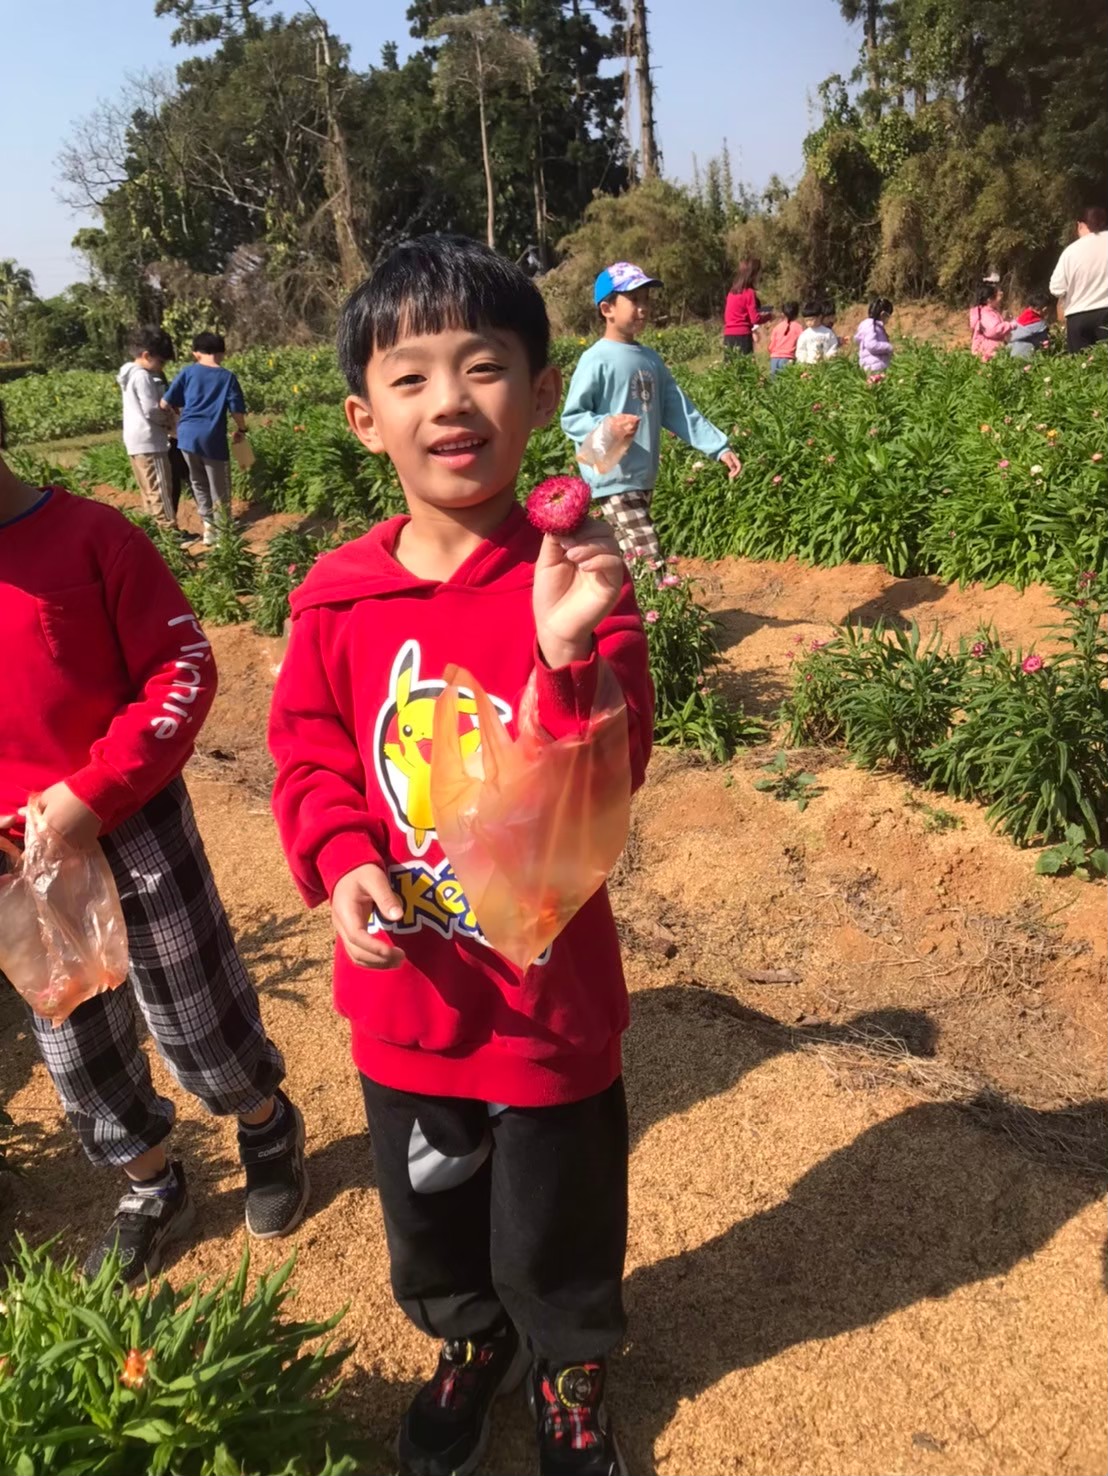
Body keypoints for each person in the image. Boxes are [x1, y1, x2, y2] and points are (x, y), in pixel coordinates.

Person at [268, 234, 654, 1476]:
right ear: (364, 418)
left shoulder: (580, 583)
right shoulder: (336, 597)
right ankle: (468, 1338)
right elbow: (311, 753)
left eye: (483, 367)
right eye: (411, 376)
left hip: (545, 993)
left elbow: (601, 790)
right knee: (427, 1207)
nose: (450, 401)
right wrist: (341, 858)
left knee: (559, 1208)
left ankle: (569, 1364)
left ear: (540, 395)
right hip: (409, 991)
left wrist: (562, 655)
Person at [0, 451, 309, 1285]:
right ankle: (151, 1184)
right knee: (73, 1037)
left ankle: (264, 1122)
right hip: (13, 855)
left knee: (192, 1004)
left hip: (127, 817)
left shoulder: (91, 538)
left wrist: (95, 789)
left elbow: (182, 668)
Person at [561, 261, 741, 563]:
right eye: (634, 300)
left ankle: (618, 593)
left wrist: (718, 447)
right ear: (607, 308)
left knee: (628, 558)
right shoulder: (595, 359)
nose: (643, 308)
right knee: (648, 556)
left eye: (646, 300)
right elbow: (572, 417)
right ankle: (657, 594)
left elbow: (679, 409)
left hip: (642, 476)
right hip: (612, 474)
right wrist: (608, 425)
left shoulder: (650, 359)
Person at [162, 331, 247, 546]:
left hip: (186, 436)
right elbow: (236, 410)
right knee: (219, 486)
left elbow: (165, 402)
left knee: (198, 481)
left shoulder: (188, 372)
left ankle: (209, 527)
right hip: (212, 437)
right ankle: (223, 535)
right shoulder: (227, 377)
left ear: (196, 353)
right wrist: (242, 429)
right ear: (222, 352)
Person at [117, 326, 183, 535]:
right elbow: (151, 410)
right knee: (161, 489)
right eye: (161, 362)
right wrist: (169, 421)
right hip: (151, 440)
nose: (161, 367)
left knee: (148, 489)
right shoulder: (143, 377)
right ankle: (169, 533)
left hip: (135, 442)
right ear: (146, 355)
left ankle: (154, 532)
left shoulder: (127, 374)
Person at [1049, 205, 1108, 353]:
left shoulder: (1070, 251)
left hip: (1079, 316)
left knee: (1081, 364)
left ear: (1080, 225)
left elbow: (1056, 288)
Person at [722, 258, 770, 356]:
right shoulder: (749, 293)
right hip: (742, 335)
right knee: (746, 364)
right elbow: (755, 319)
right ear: (753, 274)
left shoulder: (732, 292)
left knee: (731, 364)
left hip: (729, 335)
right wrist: (769, 316)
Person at [969, 282, 1014, 360]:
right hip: (988, 351)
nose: (1001, 297)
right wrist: (1010, 325)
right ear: (989, 300)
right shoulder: (986, 314)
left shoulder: (989, 311)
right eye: (998, 295)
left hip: (989, 350)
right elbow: (994, 330)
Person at [854, 297, 895, 375]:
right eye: (888, 316)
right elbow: (871, 345)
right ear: (883, 314)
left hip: (877, 366)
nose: (888, 320)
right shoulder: (870, 325)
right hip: (874, 368)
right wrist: (888, 347)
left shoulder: (876, 326)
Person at [1009, 292, 1053, 360]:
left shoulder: (1017, 321)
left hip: (1011, 353)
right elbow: (1045, 344)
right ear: (1045, 309)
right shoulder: (1040, 326)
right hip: (1027, 356)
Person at [795, 299, 837, 364]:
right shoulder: (805, 334)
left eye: (811, 319)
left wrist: (828, 357)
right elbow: (801, 349)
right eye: (806, 320)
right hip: (809, 364)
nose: (809, 322)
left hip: (825, 364)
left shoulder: (828, 332)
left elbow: (833, 345)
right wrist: (803, 361)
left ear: (820, 317)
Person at [767, 300, 802, 374]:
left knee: (774, 380)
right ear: (797, 314)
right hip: (788, 358)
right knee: (786, 379)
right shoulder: (798, 327)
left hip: (774, 358)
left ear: (783, 314)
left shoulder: (777, 327)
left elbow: (771, 346)